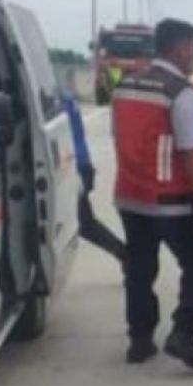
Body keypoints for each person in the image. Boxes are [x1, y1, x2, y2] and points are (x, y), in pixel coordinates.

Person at [111, 18, 193, 373]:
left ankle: (139, 340)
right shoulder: (180, 92)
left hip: (129, 195)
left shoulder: (125, 86)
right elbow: (189, 152)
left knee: (139, 269)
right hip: (171, 200)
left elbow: (118, 136)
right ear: (181, 48)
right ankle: (184, 332)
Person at [64, 91, 125, 261]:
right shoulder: (66, 99)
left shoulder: (59, 102)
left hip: (72, 168)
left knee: (85, 224)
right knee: (84, 223)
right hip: (81, 165)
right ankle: (125, 254)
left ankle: (126, 255)